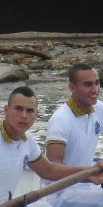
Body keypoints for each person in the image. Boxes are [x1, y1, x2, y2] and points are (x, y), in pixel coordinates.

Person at [0, 86, 103, 207]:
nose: (24, 116)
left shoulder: (27, 141)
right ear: (6, 110)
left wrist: (89, 173)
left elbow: (49, 170)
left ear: (36, 115)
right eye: (18, 109)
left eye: (29, 111)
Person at [42, 64, 103, 206]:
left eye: (97, 83)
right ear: (72, 87)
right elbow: (53, 169)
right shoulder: (61, 120)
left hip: (89, 184)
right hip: (63, 191)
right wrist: (89, 175)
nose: (95, 89)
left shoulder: (98, 108)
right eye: (88, 84)